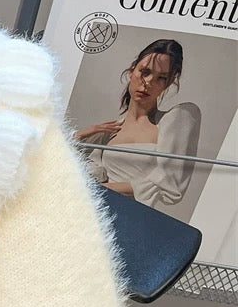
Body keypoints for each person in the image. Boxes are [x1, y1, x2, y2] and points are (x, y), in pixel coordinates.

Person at [74, 37, 202, 209]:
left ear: (169, 83)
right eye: (145, 72)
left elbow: (170, 186)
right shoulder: (108, 132)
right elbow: (65, 165)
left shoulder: (176, 119)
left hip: (134, 216)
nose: (149, 82)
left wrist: (101, 189)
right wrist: (82, 134)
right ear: (132, 70)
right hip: (94, 212)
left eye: (161, 78)